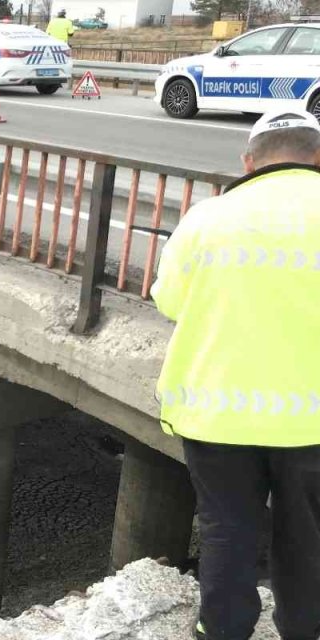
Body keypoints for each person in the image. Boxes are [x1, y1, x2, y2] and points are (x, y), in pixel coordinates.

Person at [150, 109, 320, 640]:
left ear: (248, 162)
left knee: (227, 533)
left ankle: (221, 630)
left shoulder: (208, 218)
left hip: (216, 412)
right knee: (309, 538)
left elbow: (169, 301)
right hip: (311, 423)